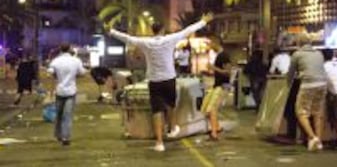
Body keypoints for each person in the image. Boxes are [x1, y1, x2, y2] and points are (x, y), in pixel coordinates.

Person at [106, 12, 214, 152]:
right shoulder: (170, 39)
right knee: (171, 105)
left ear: (152, 30)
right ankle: (172, 127)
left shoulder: (146, 42)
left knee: (157, 110)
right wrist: (203, 21)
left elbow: (127, 38)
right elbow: (188, 30)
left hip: (154, 80)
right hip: (169, 79)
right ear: (162, 30)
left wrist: (111, 31)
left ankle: (159, 142)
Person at [287, 37, 327, 151]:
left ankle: (312, 137)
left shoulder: (297, 54)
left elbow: (291, 72)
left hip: (308, 84)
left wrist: (288, 84)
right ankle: (319, 142)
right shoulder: (319, 54)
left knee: (301, 112)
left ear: (299, 43)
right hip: (323, 84)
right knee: (317, 113)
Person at [47, 43, 87, 146]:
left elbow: (49, 73)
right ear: (69, 49)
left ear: (60, 49)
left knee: (59, 115)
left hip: (59, 91)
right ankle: (66, 137)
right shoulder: (76, 61)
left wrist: (57, 76)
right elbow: (83, 73)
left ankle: (58, 135)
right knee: (67, 116)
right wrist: (74, 76)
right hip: (71, 91)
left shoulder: (56, 61)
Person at [201, 40, 233, 141]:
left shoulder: (224, 55)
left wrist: (213, 68)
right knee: (206, 109)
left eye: (209, 43)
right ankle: (217, 127)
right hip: (217, 85)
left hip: (222, 86)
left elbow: (228, 72)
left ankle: (214, 133)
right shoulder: (219, 55)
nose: (208, 46)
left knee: (212, 109)